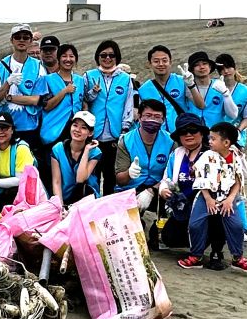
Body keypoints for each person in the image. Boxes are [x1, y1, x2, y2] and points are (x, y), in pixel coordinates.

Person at [177, 122, 247, 272]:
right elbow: (200, 178)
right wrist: (208, 198)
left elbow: (238, 180)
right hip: (207, 194)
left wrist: (230, 199)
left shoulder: (236, 157)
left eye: (213, 139)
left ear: (226, 143)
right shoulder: (207, 155)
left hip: (227, 197)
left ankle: (237, 257)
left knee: (236, 225)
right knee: (195, 224)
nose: (210, 142)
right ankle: (196, 256)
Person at [116, 99, 174, 247]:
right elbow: (120, 179)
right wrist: (129, 173)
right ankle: (136, 222)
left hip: (159, 188)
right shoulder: (126, 141)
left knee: (175, 200)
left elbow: (174, 176)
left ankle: (159, 229)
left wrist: (152, 190)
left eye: (157, 117)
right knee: (127, 233)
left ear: (163, 119)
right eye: (148, 115)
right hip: (131, 189)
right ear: (139, 116)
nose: (152, 120)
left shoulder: (171, 142)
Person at [83, 40, 135, 195]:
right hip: (93, 134)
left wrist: (125, 129)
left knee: (111, 178)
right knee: (92, 177)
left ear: (117, 57)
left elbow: (128, 104)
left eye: (111, 55)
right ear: (98, 57)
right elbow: (84, 102)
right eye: (103, 55)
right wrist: (93, 92)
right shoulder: (89, 76)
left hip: (115, 135)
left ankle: (108, 213)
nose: (107, 58)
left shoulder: (125, 79)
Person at [215, 53, 247, 236]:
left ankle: (242, 225)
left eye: (228, 67)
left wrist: (238, 131)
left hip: (236, 141)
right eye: (221, 68)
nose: (226, 71)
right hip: (215, 140)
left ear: (234, 67)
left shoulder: (245, 91)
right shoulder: (215, 88)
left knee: (235, 181)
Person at [36, 43, 86, 185]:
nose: (68, 59)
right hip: (53, 133)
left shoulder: (80, 81)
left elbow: (83, 102)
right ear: (58, 58)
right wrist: (64, 91)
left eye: (71, 56)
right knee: (51, 173)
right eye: (64, 56)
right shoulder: (48, 80)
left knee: (71, 172)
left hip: (74, 132)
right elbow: (46, 106)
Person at [157, 115, 209, 250]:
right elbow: (166, 178)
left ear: (202, 133)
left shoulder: (211, 154)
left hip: (206, 206)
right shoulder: (176, 154)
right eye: (183, 132)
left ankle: (215, 250)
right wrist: (163, 190)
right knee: (168, 238)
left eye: (193, 130)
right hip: (181, 205)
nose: (188, 135)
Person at [0, 24, 43, 142]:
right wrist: (8, 82)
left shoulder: (38, 67)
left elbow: (36, 100)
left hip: (28, 127)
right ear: (11, 40)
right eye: (18, 37)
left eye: (25, 37)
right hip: (2, 127)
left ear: (31, 40)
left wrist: (8, 97)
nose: (21, 40)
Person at [0, 111, 36, 209]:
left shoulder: (21, 148)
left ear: (12, 130)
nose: (0, 132)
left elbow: (20, 180)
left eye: (4, 128)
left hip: (24, 195)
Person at [50, 111, 101, 205]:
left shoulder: (95, 152)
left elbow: (80, 179)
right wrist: (60, 207)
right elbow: (56, 182)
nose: (77, 130)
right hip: (64, 199)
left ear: (90, 133)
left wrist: (86, 150)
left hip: (87, 199)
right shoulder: (58, 149)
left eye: (83, 128)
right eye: (75, 125)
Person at [138, 45, 188, 133]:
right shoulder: (143, 89)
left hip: (182, 133)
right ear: (150, 64)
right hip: (157, 136)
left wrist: (191, 85)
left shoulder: (183, 81)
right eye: (156, 61)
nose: (161, 64)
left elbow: (199, 105)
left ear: (170, 62)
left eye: (164, 61)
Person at [182, 51, 238, 128]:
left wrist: (226, 94)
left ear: (210, 67)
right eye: (197, 65)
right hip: (194, 133)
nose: (201, 67)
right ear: (192, 70)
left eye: (204, 63)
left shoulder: (219, 86)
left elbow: (233, 115)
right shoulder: (186, 86)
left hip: (215, 135)